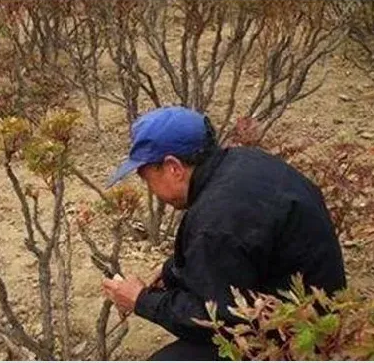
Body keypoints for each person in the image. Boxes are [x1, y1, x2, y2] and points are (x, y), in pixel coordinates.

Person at [101, 106, 347, 361]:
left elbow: (217, 321)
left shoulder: (216, 220)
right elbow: (239, 250)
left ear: (173, 167)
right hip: (315, 307)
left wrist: (141, 301)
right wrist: (172, 273)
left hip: (299, 339)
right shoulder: (242, 162)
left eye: (147, 178)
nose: (150, 189)